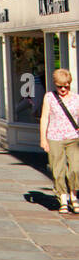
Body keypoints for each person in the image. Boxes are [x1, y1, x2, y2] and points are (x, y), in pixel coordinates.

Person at [40, 68, 79, 214]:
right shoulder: (49, 97)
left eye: (66, 86)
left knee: (75, 168)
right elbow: (44, 118)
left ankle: (73, 196)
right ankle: (63, 198)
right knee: (58, 169)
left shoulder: (76, 98)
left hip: (73, 138)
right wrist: (43, 138)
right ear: (55, 84)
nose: (63, 89)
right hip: (54, 137)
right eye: (59, 86)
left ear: (70, 84)